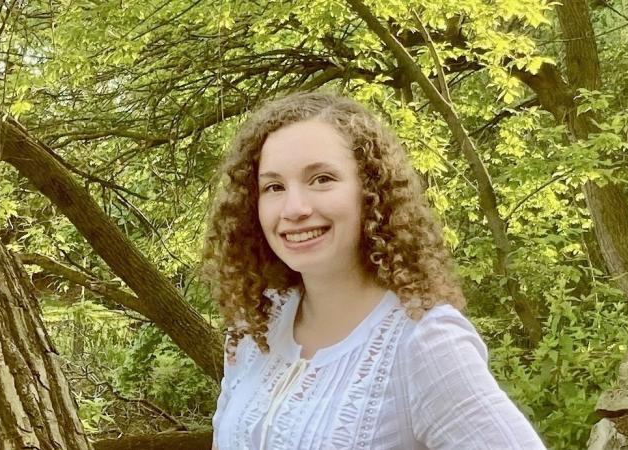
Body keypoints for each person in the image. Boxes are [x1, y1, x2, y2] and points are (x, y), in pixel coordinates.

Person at [202, 92, 545, 449]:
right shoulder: (255, 331)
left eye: (321, 179)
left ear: (370, 191)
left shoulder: (424, 340)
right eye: (274, 187)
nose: (295, 208)